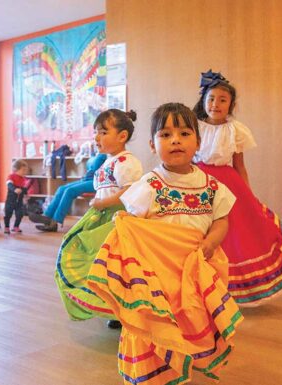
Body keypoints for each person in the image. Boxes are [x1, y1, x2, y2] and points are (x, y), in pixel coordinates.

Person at [87, 103, 243, 385]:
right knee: (160, 320)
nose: (175, 141)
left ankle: (186, 358)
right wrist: (125, 224)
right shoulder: (148, 184)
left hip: (195, 268)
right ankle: (156, 372)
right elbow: (135, 226)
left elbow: (222, 220)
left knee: (193, 316)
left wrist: (211, 242)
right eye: (165, 135)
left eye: (184, 133)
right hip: (158, 274)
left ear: (198, 141)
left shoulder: (212, 186)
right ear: (152, 144)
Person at [192, 70, 282, 305]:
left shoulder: (235, 130)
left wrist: (247, 195)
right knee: (199, 231)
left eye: (222, 100)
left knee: (232, 234)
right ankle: (198, 285)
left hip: (227, 185)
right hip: (198, 183)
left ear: (231, 105)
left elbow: (239, 165)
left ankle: (226, 287)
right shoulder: (194, 126)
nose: (215, 104)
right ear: (203, 100)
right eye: (211, 98)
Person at [53, 109, 142, 328]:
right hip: (101, 216)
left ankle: (121, 309)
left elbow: (130, 192)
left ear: (122, 136)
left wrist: (103, 203)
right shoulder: (108, 161)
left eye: (103, 132)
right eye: (96, 132)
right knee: (95, 260)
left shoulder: (126, 163)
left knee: (113, 266)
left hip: (117, 219)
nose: (97, 138)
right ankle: (110, 306)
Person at [35, 152, 108, 232]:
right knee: (61, 189)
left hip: (97, 182)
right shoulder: (95, 153)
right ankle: (46, 216)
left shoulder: (106, 155)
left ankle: (55, 221)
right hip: (86, 179)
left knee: (69, 191)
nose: (97, 141)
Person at [4, 159, 32, 234]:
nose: (25, 172)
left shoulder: (23, 179)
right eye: (23, 170)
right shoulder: (11, 176)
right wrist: (14, 189)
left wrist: (26, 195)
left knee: (20, 214)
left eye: (25, 170)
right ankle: (7, 227)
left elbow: (24, 188)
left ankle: (16, 226)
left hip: (19, 202)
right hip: (10, 201)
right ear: (16, 169)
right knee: (8, 214)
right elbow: (9, 184)